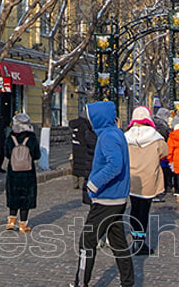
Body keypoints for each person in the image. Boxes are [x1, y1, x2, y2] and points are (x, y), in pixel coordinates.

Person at [73, 101, 134, 287]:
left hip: (107, 198)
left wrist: (93, 184)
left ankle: (80, 283)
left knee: (87, 242)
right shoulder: (115, 133)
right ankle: (128, 282)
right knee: (118, 242)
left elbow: (114, 165)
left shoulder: (108, 136)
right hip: (116, 198)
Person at [125, 107, 167, 255]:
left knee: (134, 210)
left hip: (132, 178)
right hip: (149, 179)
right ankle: (140, 243)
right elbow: (164, 152)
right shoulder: (155, 137)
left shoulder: (126, 136)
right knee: (144, 212)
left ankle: (135, 239)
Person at [4, 113, 41, 231]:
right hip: (28, 171)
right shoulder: (32, 137)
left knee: (13, 195)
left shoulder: (10, 136)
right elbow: (37, 155)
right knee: (26, 197)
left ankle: (11, 221)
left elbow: (7, 153)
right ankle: (23, 224)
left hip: (13, 170)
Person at [70, 107, 98, 193]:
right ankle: (82, 183)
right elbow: (87, 137)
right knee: (82, 165)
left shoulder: (75, 124)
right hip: (83, 148)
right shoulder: (85, 126)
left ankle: (75, 183)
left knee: (76, 164)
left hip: (75, 147)